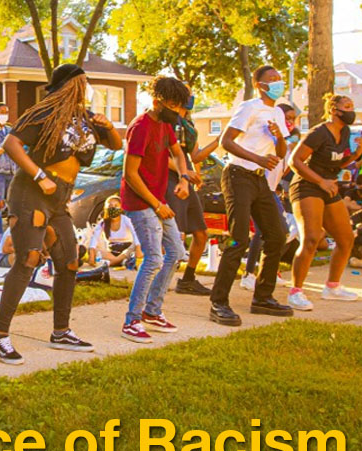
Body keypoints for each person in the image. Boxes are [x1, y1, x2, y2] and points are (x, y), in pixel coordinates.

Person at [0, 63, 122, 364]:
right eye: (82, 82)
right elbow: (11, 144)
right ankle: (0, 336)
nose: (86, 88)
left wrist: (109, 126)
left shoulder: (85, 119)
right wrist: (39, 176)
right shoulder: (44, 113)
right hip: (31, 193)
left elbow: (116, 145)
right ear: (68, 85)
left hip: (59, 198)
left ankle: (61, 331)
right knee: (27, 260)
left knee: (70, 262)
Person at [209, 65, 294, 326]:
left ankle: (263, 297)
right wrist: (257, 157)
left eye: (280, 79)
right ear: (260, 85)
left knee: (277, 235)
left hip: (260, 180)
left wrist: (279, 137)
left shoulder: (277, 113)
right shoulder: (249, 107)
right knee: (238, 238)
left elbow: (280, 152)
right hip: (238, 175)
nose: (278, 82)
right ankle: (219, 302)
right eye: (272, 79)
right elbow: (226, 141)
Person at [119, 76, 190, 344]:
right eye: (173, 105)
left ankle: (152, 311)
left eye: (180, 106)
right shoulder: (140, 127)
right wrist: (157, 205)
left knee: (176, 252)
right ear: (157, 101)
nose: (177, 111)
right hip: (140, 202)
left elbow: (178, 154)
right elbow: (131, 174)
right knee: (153, 258)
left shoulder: (165, 125)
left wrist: (184, 178)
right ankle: (132, 320)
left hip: (158, 200)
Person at [286, 94, 362, 310]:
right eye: (346, 106)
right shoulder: (318, 133)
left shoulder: (345, 132)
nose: (351, 110)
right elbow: (295, 161)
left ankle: (332, 287)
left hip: (327, 186)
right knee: (311, 237)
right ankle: (296, 292)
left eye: (352, 105)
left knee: (346, 238)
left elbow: (338, 163)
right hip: (307, 185)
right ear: (333, 110)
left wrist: (356, 154)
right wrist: (320, 181)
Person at [240, 103, 299, 290]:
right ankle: (249, 274)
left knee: (283, 233)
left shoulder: (286, 144)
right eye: (286, 118)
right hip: (259, 189)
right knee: (263, 232)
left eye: (293, 119)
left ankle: (269, 272)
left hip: (272, 191)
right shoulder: (266, 138)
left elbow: (284, 169)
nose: (290, 122)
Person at [170, 94, 220, 296]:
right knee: (175, 235)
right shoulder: (168, 122)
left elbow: (196, 156)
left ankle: (188, 279)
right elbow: (162, 157)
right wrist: (183, 172)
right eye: (185, 92)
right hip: (172, 180)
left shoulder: (188, 126)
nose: (189, 96)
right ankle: (158, 280)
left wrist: (219, 141)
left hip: (188, 180)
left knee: (201, 233)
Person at [87, 195, 142, 268]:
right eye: (110, 206)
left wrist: (138, 249)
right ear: (106, 209)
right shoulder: (103, 222)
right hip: (111, 252)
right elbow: (94, 238)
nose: (113, 208)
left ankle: (112, 263)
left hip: (126, 250)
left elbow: (135, 234)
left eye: (116, 205)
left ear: (121, 208)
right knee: (95, 248)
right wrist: (91, 253)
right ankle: (121, 261)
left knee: (137, 243)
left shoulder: (126, 220)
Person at [0, 102, 16, 235]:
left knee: (13, 204)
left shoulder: (9, 130)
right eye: (2, 112)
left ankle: (12, 234)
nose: (5, 115)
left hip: (11, 171)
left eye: (7, 112)